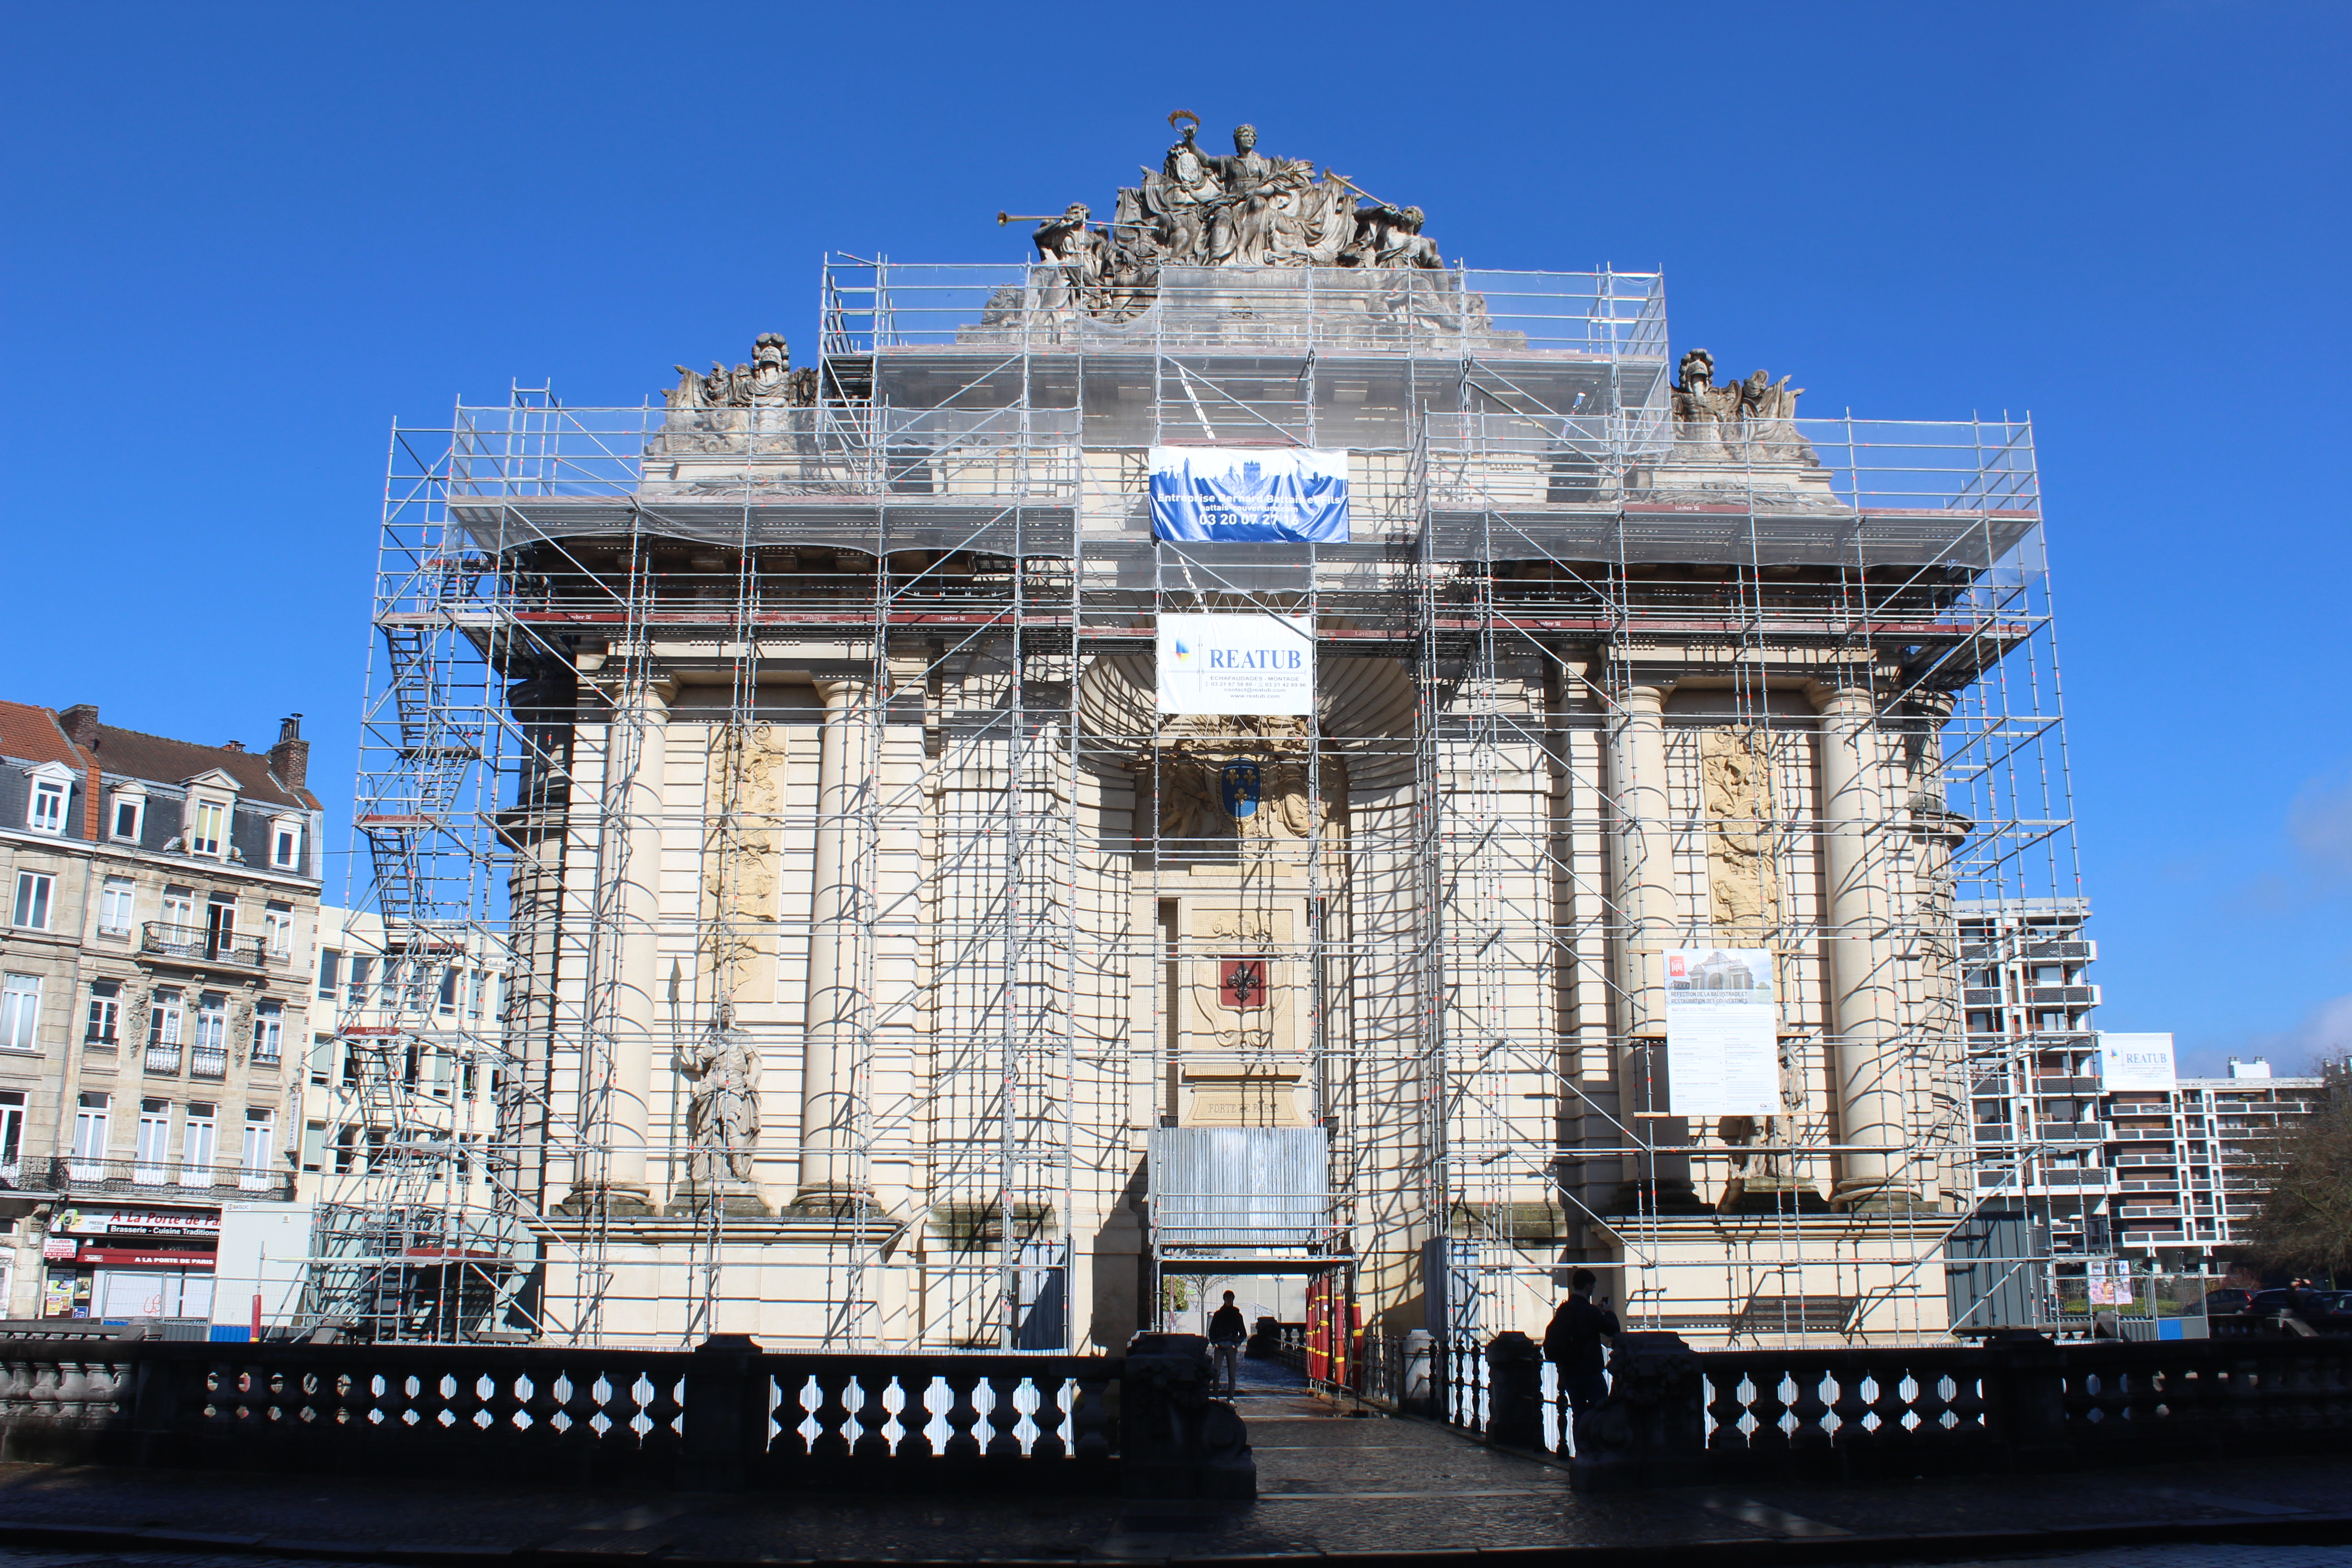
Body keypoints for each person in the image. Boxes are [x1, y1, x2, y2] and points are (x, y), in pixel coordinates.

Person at [1541, 1269, 1620, 1417]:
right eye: (1593, 1287)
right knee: (1603, 1413)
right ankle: (1594, 1441)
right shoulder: (1589, 1311)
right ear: (1589, 1286)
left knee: (1579, 1415)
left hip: (1569, 1371)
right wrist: (1608, 1312)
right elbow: (1614, 1330)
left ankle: (1581, 1441)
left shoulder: (1564, 1309)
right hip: (1590, 1372)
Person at [1207, 1289, 1248, 1396]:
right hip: (1220, 1346)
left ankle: (1230, 1398)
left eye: (1230, 1299)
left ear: (1233, 1300)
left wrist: (1236, 1344)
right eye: (1227, 1299)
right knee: (1217, 1373)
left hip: (1230, 1346)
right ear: (1224, 1300)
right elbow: (1211, 1331)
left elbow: (1243, 1333)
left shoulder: (1237, 1315)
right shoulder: (1219, 1315)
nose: (1229, 1300)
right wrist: (1214, 1342)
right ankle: (1216, 1396)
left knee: (1232, 1374)